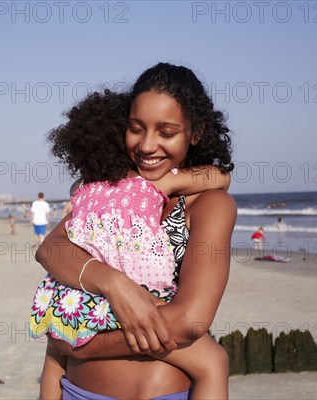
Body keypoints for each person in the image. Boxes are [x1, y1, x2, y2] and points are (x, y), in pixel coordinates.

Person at [35, 63, 236, 399]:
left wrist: (80, 345)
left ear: (196, 133)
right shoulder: (107, 194)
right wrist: (115, 285)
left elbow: (189, 322)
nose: (147, 145)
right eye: (136, 128)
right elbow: (51, 249)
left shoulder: (208, 206)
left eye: (167, 133)